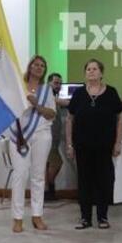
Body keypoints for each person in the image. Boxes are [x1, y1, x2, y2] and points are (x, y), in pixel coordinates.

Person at [66, 59, 122, 229]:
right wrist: (69, 144)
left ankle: (102, 217)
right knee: (84, 181)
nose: (91, 71)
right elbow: (70, 119)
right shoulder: (78, 94)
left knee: (104, 181)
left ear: (101, 73)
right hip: (82, 146)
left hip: (105, 146)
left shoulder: (111, 92)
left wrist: (118, 142)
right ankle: (85, 217)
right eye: (88, 69)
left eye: (95, 69)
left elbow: (120, 118)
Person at [9, 55, 56, 233]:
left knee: (38, 176)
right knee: (20, 175)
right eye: (36, 64)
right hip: (19, 135)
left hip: (42, 134)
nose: (39, 67)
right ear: (29, 67)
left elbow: (51, 114)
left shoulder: (46, 90)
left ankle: (37, 215)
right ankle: (18, 218)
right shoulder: (18, 88)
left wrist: (37, 105)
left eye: (42, 66)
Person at [45, 72, 69, 201]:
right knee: (57, 163)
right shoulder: (48, 96)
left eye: (60, 83)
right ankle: (49, 188)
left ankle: (48, 191)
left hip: (53, 140)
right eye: (55, 82)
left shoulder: (54, 97)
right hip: (48, 139)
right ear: (48, 83)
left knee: (49, 165)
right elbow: (63, 102)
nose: (58, 85)